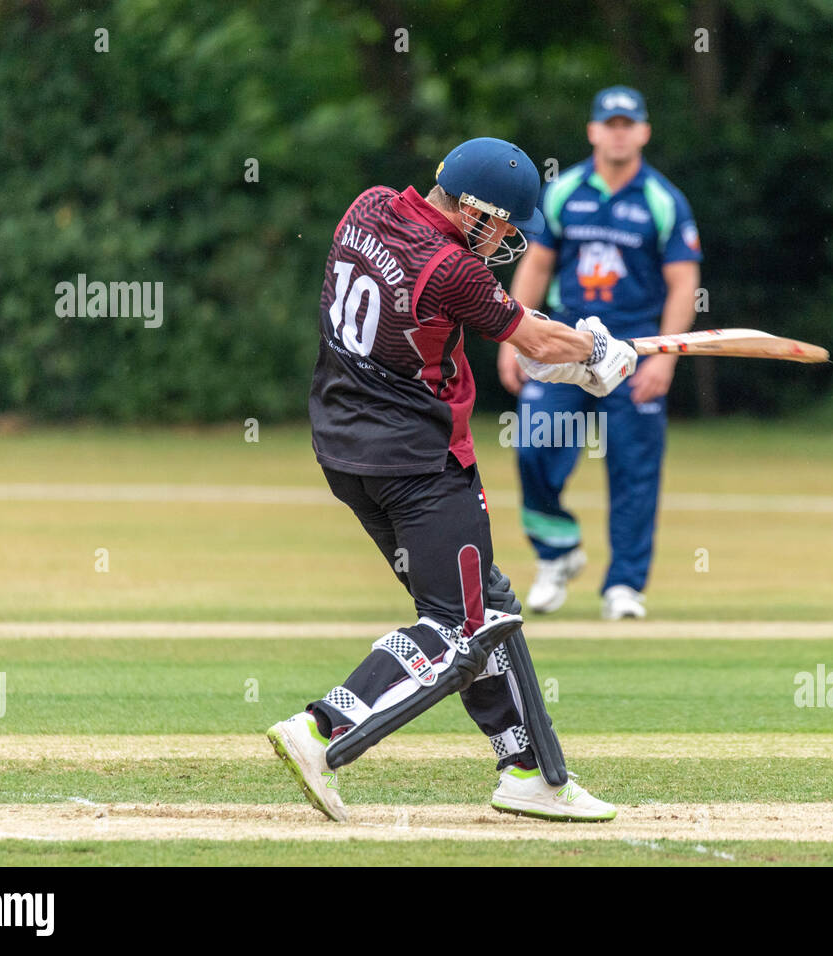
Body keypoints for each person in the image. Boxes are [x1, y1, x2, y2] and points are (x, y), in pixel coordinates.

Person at [266, 137, 638, 823]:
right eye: (501, 226)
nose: (503, 241)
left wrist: (567, 353)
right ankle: (322, 730)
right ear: (475, 209)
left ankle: (531, 770)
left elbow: (513, 333)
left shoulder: (368, 207)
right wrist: (597, 349)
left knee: (487, 605)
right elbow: (533, 340)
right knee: (458, 628)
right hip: (422, 466)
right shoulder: (452, 268)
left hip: (346, 454)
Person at [499, 86, 702, 620]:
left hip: (634, 351)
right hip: (565, 347)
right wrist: (512, 334)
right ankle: (557, 553)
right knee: (534, 446)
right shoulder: (563, 191)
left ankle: (624, 587)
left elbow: (683, 284)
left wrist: (666, 359)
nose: (618, 131)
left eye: (627, 123)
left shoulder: (663, 200)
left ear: (643, 132)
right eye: (608, 123)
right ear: (592, 130)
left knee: (635, 470)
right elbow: (537, 267)